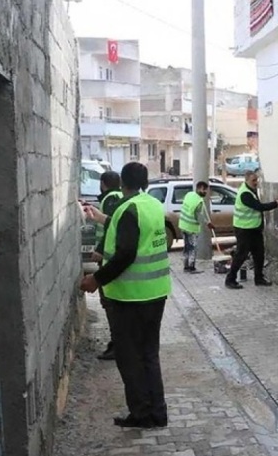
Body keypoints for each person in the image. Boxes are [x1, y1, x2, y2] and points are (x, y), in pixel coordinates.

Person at [79, 162, 171, 429]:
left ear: (122, 183)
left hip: (130, 298)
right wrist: (102, 218)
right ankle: (158, 412)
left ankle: (142, 414)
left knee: (130, 357)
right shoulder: (151, 204)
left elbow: (126, 253)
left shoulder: (127, 208)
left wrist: (96, 279)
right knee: (149, 355)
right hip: (156, 293)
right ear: (145, 182)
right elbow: (134, 233)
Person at [225, 169, 278, 289]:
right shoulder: (245, 194)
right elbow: (260, 207)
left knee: (259, 254)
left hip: (253, 228)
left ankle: (259, 278)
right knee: (241, 255)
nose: (256, 182)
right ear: (246, 180)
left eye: (257, 180)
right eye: (253, 180)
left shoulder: (250, 190)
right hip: (244, 229)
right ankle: (230, 279)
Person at [91, 171, 122, 361]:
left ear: (103, 184)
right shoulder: (118, 197)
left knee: (109, 302)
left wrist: (100, 250)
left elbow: (112, 227)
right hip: (112, 258)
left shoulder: (110, 199)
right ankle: (118, 342)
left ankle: (118, 344)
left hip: (109, 259)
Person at [179, 181, 215, 274]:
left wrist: (208, 222)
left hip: (183, 225)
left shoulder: (189, 194)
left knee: (186, 247)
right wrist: (208, 223)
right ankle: (191, 267)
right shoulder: (199, 202)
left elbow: (203, 213)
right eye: (204, 190)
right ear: (199, 189)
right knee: (193, 248)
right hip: (191, 228)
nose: (206, 192)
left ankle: (186, 266)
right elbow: (201, 216)